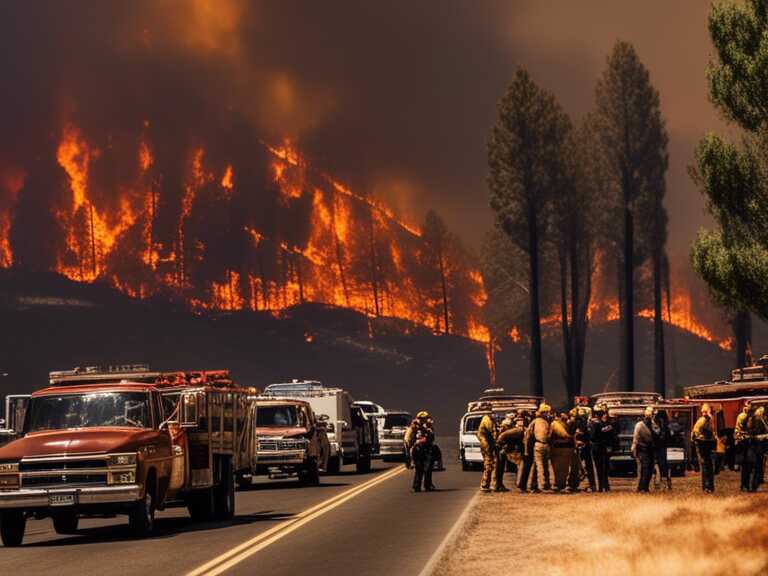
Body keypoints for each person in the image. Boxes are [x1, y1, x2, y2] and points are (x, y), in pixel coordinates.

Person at [494, 416, 523, 492]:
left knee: (500, 468)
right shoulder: (509, 432)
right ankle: (498, 485)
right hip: (502, 451)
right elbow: (501, 439)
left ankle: (499, 485)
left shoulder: (507, 432)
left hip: (504, 450)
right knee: (499, 468)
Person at [692, 403, 716, 493]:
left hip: (705, 443)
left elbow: (695, 433)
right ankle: (708, 486)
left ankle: (708, 486)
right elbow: (696, 432)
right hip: (704, 444)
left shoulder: (707, 420)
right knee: (707, 465)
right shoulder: (703, 420)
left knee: (707, 465)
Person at [589, 404, 613, 492]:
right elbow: (595, 435)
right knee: (601, 467)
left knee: (601, 467)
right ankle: (602, 486)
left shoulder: (596, 423)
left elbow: (593, 436)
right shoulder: (598, 423)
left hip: (598, 447)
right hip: (600, 447)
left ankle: (602, 486)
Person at [529, 403, 552, 492]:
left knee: (541, 466)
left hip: (540, 445)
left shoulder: (537, 421)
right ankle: (542, 485)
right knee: (541, 466)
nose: (547, 414)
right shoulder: (545, 422)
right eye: (546, 412)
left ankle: (539, 485)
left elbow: (529, 433)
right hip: (542, 445)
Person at [632, 406, 656, 493]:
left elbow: (656, 434)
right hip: (643, 449)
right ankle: (642, 487)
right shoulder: (640, 425)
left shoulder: (652, 424)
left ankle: (644, 487)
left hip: (650, 449)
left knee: (649, 468)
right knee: (645, 468)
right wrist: (634, 448)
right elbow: (635, 438)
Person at [410, 411, 435, 492]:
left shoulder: (428, 428)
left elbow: (431, 439)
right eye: (421, 419)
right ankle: (416, 486)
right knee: (419, 469)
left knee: (428, 469)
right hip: (417, 451)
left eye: (424, 419)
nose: (423, 420)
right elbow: (410, 439)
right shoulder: (413, 428)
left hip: (426, 450)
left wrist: (429, 430)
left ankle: (428, 485)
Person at [573, 407, 595, 492]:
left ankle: (589, 485)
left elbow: (587, 435)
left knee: (585, 467)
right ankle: (587, 484)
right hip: (583, 447)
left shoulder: (586, 425)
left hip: (584, 448)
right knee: (583, 467)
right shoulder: (585, 424)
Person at [549, 412, 573, 492]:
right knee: (559, 468)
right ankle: (559, 485)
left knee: (562, 469)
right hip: (559, 448)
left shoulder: (565, 424)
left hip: (561, 448)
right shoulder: (556, 424)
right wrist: (569, 438)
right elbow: (564, 435)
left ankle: (559, 484)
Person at [517, 410, 538, 493]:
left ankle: (523, 485)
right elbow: (526, 438)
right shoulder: (529, 424)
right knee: (527, 468)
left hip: (527, 448)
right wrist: (526, 451)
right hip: (528, 448)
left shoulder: (525, 424)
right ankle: (525, 486)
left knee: (526, 467)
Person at [748, 406, 768, 492]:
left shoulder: (761, 420)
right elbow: (756, 434)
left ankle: (755, 485)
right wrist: (765, 436)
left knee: (758, 466)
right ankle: (754, 486)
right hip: (757, 446)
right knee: (757, 466)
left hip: (760, 446)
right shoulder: (757, 420)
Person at [476, 411, 497, 492]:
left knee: (489, 464)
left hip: (486, 444)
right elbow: (492, 431)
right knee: (489, 463)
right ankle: (485, 484)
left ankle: (486, 484)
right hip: (486, 445)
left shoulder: (486, 419)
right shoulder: (487, 420)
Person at [735, 403, 753, 491]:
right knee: (746, 464)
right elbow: (738, 429)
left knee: (747, 464)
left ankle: (745, 485)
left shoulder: (750, 416)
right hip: (744, 441)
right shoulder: (742, 416)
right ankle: (745, 485)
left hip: (747, 440)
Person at [652, 409, 672, 490]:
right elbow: (668, 437)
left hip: (657, 447)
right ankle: (666, 483)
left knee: (656, 465)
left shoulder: (657, 423)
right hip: (663, 447)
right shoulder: (666, 425)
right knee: (664, 465)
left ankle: (657, 483)